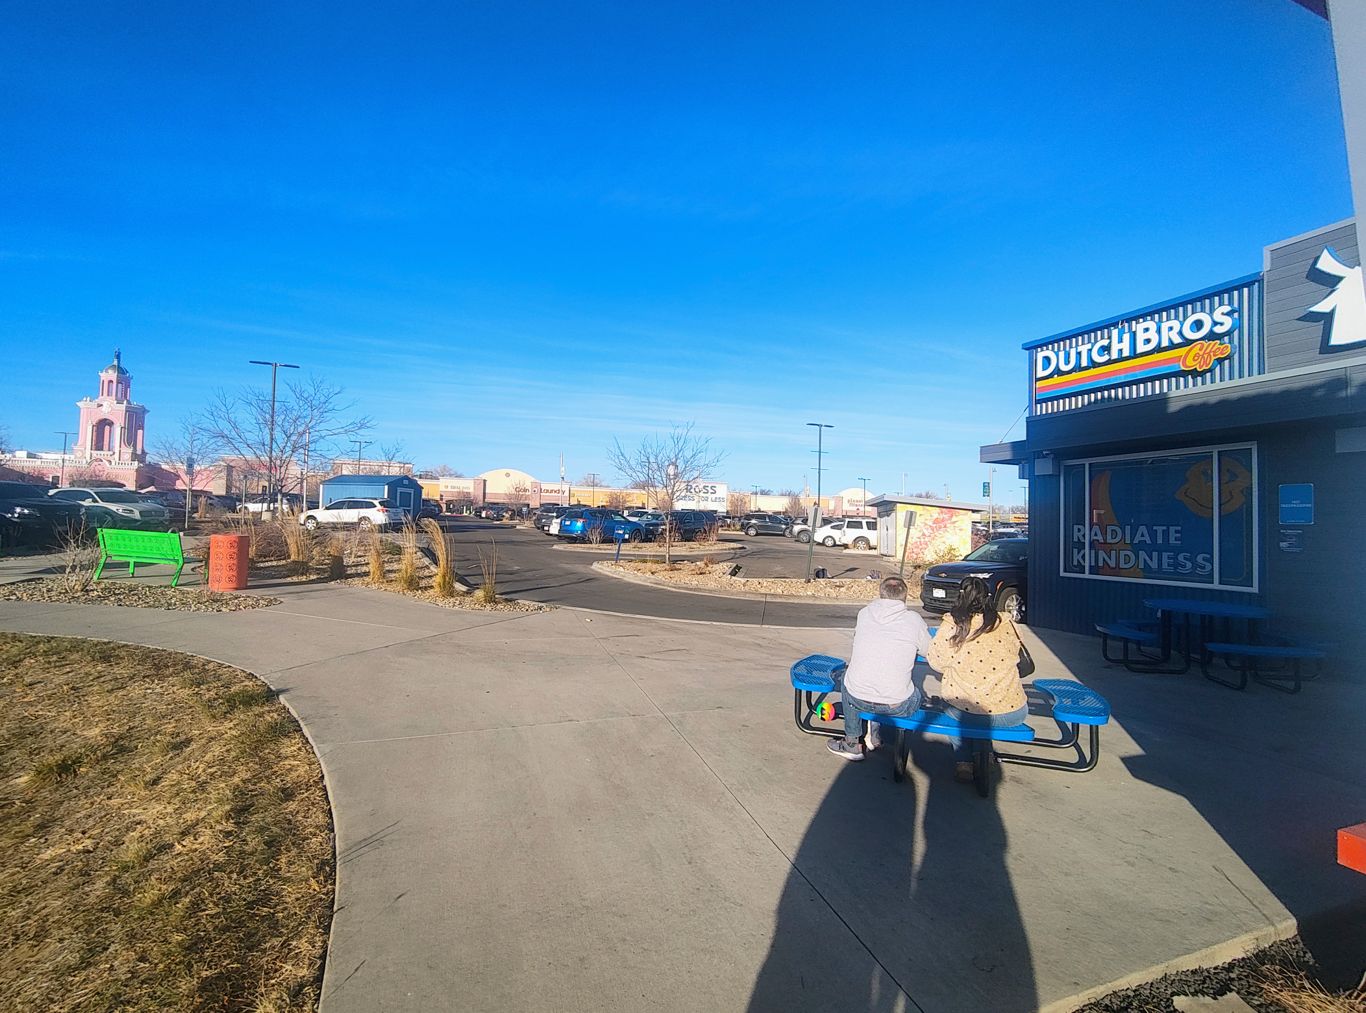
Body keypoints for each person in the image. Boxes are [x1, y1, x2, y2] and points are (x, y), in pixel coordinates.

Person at [926, 576, 1029, 782]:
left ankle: (963, 761)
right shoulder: (1007, 623)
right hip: (1012, 711)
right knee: (981, 711)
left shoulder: (952, 625)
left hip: (966, 712)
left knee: (955, 709)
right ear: (989, 598)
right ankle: (985, 753)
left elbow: (936, 662)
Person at [827, 576, 933, 761]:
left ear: (881, 593)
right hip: (897, 705)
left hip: (857, 699)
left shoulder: (864, 614)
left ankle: (852, 743)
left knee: (850, 681)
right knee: (910, 687)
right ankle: (874, 737)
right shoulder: (913, 620)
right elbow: (929, 651)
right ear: (905, 596)